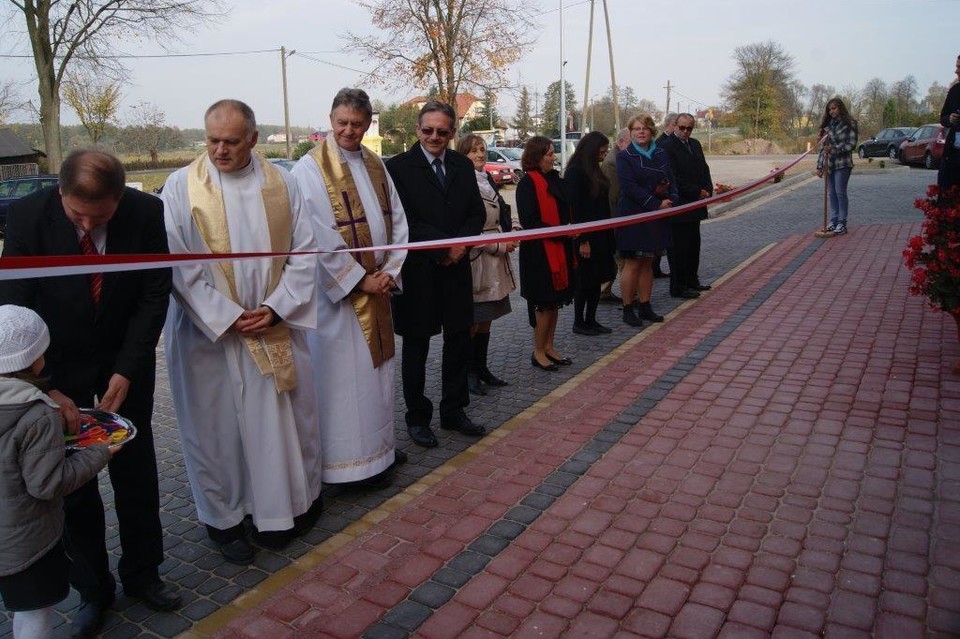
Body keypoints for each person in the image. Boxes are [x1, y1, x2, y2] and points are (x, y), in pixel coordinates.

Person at [0, 149, 177, 638]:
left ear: (120, 200)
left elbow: (153, 291)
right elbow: (15, 306)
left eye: (98, 218)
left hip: (125, 361)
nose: (85, 225)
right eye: (77, 214)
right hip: (57, 366)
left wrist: (128, 369)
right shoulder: (28, 216)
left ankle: (145, 573)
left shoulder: (145, 212)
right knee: (72, 486)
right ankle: (93, 590)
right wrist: (47, 388)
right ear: (60, 193)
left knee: (136, 471)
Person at [161, 99, 322, 564]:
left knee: (278, 423)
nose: (220, 150)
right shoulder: (180, 188)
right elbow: (175, 264)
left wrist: (275, 307)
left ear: (253, 138)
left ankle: (281, 511)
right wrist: (224, 314)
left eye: (231, 141)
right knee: (217, 431)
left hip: (272, 325)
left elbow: (305, 253)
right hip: (208, 337)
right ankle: (224, 519)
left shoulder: (282, 184)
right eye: (212, 140)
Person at [291, 88, 409, 490]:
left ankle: (380, 451)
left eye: (357, 124)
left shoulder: (377, 164)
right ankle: (344, 466)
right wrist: (359, 279)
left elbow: (399, 223)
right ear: (330, 118)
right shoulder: (308, 170)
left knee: (376, 379)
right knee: (342, 384)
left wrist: (390, 270)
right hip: (336, 304)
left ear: (367, 123)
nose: (348, 130)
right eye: (342, 122)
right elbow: (311, 233)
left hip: (378, 291)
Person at [0, 305, 113, 639]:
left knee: (18, 607)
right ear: (37, 360)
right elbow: (48, 483)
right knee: (35, 613)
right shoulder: (38, 414)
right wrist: (100, 452)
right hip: (28, 542)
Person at [385, 101, 486, 448]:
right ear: (417, 129)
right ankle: (417, 417)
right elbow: (403, 222)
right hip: (419, 274)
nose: (434, 137)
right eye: (428, 130)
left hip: (457, 270)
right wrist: (444, 247)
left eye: (442, 131)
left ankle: (454, 409)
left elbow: (475, 213)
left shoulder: (460, 164)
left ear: (452, 132)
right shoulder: (397, 168)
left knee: (459, 341)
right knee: (416, 346)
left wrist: (461, 247)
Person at [456, 134, 517, 395]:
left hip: (495, 259)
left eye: (482, 150)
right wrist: (499, 244)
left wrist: (514, 228)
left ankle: (481, 368)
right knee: (473, 319)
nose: (480, 155)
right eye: (473, 151)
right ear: (462, 155)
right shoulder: (462, 183)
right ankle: (468, 374)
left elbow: (501, 212)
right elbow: (467, 229)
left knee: (487, 319)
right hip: (478, 260)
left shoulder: (486, 179)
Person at [516, 136, 576, 371]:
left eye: (553, 153)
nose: (554, 158)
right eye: (549, 154)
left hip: (559, 249)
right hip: (539, 254)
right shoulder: (527, 183)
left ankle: (549, 346)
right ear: (536, 156)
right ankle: (538, 351)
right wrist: (562, 232)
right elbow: (530, 221)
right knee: (543, 304)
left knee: (554, 304)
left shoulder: (553, 179)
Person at [616, 114, 678, 328]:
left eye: (644, 128)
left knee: (648, 263)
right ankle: (628, 307)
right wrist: (655, 202)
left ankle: (645, 305)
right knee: (632, 263)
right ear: (630, 132)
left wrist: (673, 200)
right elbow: (629, 187)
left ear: (652, 130)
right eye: (636, 129)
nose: (641, 132)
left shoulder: (661, 152)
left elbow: (671, 178)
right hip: (634, 215)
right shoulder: (625, 156)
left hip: (656, 216)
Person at [565, 131, 617, 335]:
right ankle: (579, 321)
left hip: (601, 233)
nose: (604, 155)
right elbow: (575, 209)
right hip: (587, 236)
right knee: (585, 281)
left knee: (597, 279)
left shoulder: (595, 169)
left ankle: (592, 319)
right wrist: (583, 240)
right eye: (601, 151)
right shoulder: (575, 172)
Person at [661, 113, 714, 299]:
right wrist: (696, 191)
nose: (685, 132)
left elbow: (704, 169)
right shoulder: (667, 147)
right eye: (682, 127)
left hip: (696, 206)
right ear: (675, 126)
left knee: (693, 246)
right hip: (680, 205)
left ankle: (692, 280)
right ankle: (679, 286)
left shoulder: (695, 144)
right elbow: (673, 178)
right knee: (679, 250)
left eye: (689, 128)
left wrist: (708, 188)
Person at [816, 98, 858, 235]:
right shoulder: (827, 126)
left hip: (842, 163)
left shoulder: (849, 123)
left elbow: (851, 144)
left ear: (840, 108)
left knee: (840, 192)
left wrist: (833, 149)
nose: (831, 111)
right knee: (831, 193)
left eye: (834, 108)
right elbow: (822, 148)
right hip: (829, 164)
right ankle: (833, 221)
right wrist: (819, 165)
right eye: (829, 109)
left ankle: (842, 222)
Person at [599, 127, 631, 304]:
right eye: (631, 142)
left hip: (619, 216)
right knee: (621, 258)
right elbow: (614, 194)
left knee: (616, 257)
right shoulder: (613, 161)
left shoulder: (621, 157)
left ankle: (605, 290)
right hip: (615, 216)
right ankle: (627, 295)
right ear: (621, 142)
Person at [938, 53, 960, 200]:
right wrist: (949, 119)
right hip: (953, 154)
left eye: (959, 67)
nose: (956, 71)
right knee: (946, 197)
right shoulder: (954, 91)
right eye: (956, 67)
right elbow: (943, 117)